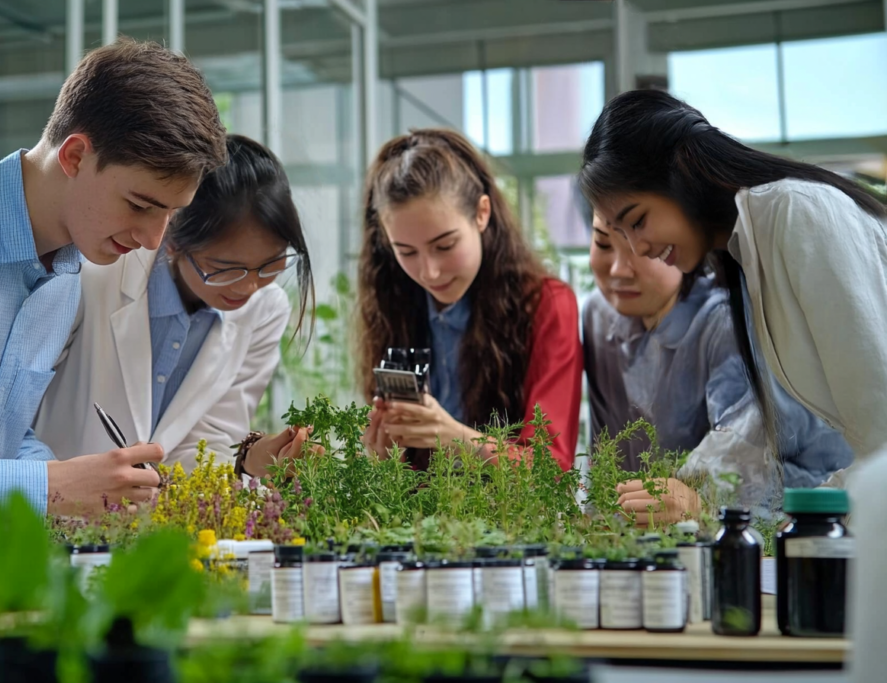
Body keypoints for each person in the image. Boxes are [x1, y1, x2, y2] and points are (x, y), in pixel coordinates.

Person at [0, 38, 227, 523]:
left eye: (170, 216)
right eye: (141, 206)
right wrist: (48, 487)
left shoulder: (64, 276)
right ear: (74, 156)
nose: (151, 239)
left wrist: (80, 487)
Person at [579, 89, 887, 480]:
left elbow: (880, 421)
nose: (639, 247)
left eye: (638, 221)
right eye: (615, 234)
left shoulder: (795, 213)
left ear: (683, 172)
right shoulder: (748, 251)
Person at [36, 135, 316, 476]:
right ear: (172, 241)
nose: (249, 286)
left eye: (270, 265)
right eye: (226, 268)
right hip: (50, 507)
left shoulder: (265, 309)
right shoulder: (93, 275)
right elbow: (12, 415)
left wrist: (251, 460)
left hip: (152, 522)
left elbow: (207, 440)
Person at [584, 213, 854, 524]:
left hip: (787, 523)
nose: (618, 269)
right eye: (603, 243)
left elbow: (746, 466)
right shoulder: (599, 316)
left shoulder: (727, 318)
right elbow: (607, 455)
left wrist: (699, 501)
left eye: (639, 248)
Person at [356, 129, 582, 470]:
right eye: (406, 252)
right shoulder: (393, 305)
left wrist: (455, 437)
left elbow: (552, 469)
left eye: (444, 246)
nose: (429, 272)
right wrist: (382, 461)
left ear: (482, 213)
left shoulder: (545, 304)